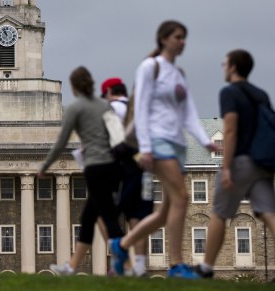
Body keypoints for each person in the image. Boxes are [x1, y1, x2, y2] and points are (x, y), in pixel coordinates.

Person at [110, 20, 217, 279]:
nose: (183, 42)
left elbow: (189, 113)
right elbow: (142, 108)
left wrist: (205, 141)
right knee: (182, 197)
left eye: (184, 37)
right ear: (164, 39)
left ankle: (121, 245)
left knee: (166, 211)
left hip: (177, 143)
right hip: (157, 141)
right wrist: (145, 147)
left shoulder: (178, 74)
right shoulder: (150, 67)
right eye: (178, 37)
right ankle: (177, 264)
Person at [194, 50, 275, 278]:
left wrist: (226, 166)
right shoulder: (261, 94)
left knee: (219, 213)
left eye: (225, 64)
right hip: (262, 163)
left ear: (233, 67)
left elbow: (230, 129)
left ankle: (206, 267)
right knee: (269, 213)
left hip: (240, 160)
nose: (223, 68)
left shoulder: (229, 93)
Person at [43, 66, 124, 275]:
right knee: (88, 218)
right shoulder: (106, 107)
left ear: (73, 87)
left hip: (95, 168)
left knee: (107, 219)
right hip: (113, 167)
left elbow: (61, 142)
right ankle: (71, 266)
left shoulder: (75, 108)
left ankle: (129, 264)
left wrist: (45, 166)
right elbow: (118, 137)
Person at [101, 77, 153, 277]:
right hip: (142, 167)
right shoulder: (137, 109)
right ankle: (139, 266)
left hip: (120, 167)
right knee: (137, 217)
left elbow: (113, 139)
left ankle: (121, 258)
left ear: (108, 93)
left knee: (102, 214)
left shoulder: (111, 110)